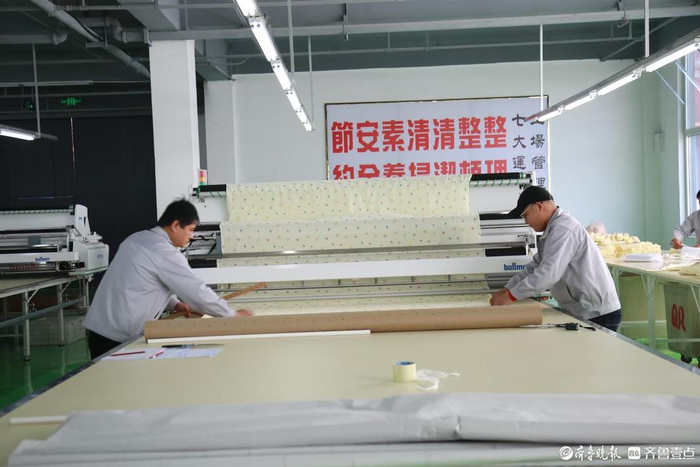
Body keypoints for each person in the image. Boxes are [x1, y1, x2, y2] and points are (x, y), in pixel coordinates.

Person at [84, 199, 252, 359]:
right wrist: (232, 316)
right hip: (116, 339)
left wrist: (175, 304)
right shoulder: (163, 251)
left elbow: (143, 283)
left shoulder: (137, 239)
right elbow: (196, 291)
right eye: (191, 229)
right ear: (176, 225)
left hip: (99, 331)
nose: (192, 236)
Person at [489, 186, 621, 331]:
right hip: (583, 309)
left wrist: (511, 296)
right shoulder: (553, 231)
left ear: (539, 206)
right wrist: (507, 289)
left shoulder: (563, 229)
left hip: (597, 313)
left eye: (525, 215)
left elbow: (547, 274)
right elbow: (535, 267)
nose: (526, 222)